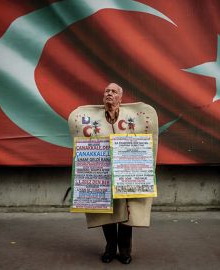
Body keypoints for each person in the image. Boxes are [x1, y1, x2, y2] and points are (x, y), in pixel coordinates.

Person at [68, 83, 158, 264]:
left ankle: (125, 250)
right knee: (105, 211)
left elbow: (144, 139)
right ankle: (110, 247)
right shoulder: (95, 117)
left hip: (125, 170)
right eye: (107, 91)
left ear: (120, 98)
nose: (109, 94)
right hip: (102, 170)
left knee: (127, 210)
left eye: (113, 91)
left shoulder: (130, 117)